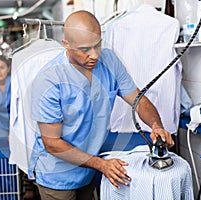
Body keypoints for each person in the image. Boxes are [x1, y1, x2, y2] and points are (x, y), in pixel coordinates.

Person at [29, 10, 175, 200]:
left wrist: (157, 125)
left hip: (88, 169)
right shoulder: (49, 80)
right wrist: (101, 165)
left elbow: (139, 100)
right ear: (66, 45)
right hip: (57, 176)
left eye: (97, 45)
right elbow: (52, 143)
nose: (94, 55)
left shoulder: (110, 61)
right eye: (85, 50)